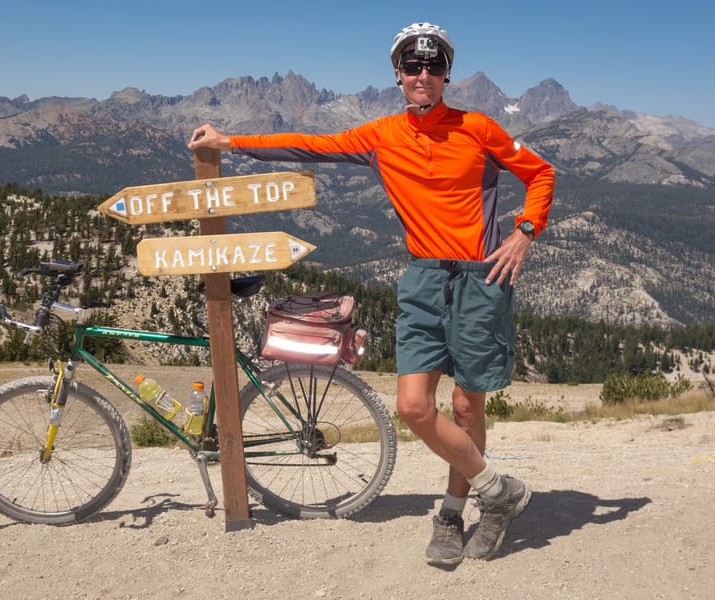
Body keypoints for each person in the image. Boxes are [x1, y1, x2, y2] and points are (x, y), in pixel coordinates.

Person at [189, 21, 554, 566]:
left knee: (464, 403)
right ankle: (499, 490)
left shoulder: (479, 128)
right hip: (424, 278)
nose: (423, 74)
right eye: (413, 65)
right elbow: (307, 145)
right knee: (413, 406)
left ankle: (455, 512)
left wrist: (525, 233)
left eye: (433, 66)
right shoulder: (382, 136)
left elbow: (542, 173)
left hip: (481, 278)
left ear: (447, 73)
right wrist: (229, 142)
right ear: (398, 74)